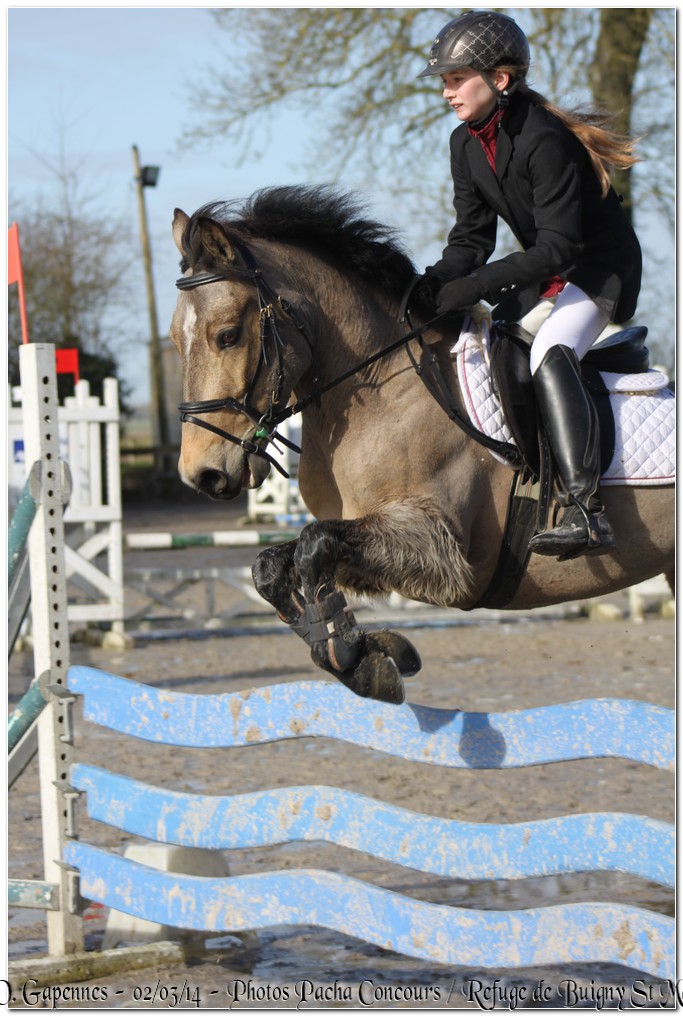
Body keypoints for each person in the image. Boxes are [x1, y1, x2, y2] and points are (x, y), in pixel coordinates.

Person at [418, 10, 642, 559]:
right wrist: (426, 285)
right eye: (443, 81)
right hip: (549, 269)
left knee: (550, 346)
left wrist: (472, 286)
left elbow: (560, 247)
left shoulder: (545, 138)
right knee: (488, 342)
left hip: (599, 269)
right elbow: (471, 240)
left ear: (499, 80)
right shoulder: (464, 144)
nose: (447, 92)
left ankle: (588, 512)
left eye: (455, 79)